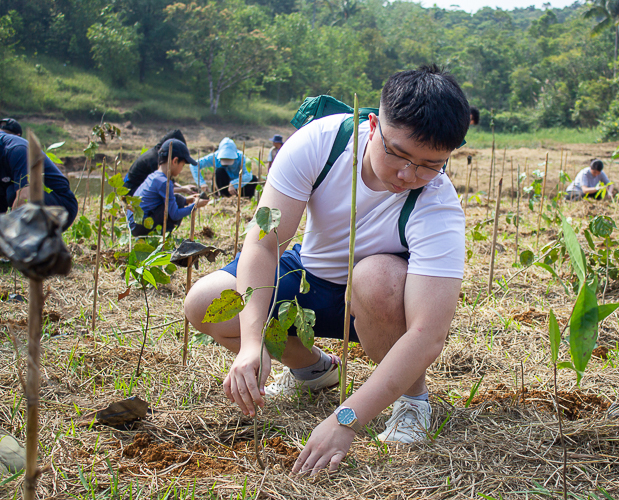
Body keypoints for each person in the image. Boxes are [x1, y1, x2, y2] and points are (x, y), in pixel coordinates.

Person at [184, 65, 469, 475]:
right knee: (203, 302)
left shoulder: (438, 205)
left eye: (429, 165)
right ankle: (313, 370)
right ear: (374, 125)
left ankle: (413, 402)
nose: (409, 175)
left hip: (378, 305)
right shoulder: (321, 143)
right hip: (308, 278)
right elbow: (264, 241)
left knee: (376, 277)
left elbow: (428, 334)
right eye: (398, 154)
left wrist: (346, 420)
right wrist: (251, 343)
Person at [0, 129, 78, 230]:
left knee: (12, 193)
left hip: (61, 206)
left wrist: (11, 234)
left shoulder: (16, 149)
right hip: (37, 208)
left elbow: (24, 198)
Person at [127, 139, 208, 236]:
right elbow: (175, 214)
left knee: (178, 199)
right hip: (141, 227)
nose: (181, 170)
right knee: (177, 203)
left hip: (135, 224)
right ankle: (162, 237)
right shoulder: (164, 182)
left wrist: (187, 200)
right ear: (175, 161)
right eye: (182, 165)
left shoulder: (155, 176)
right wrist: (195, 206)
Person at [123, 129, 196, 196]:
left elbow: (168, 182)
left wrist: (182, 187)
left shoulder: (158, 155)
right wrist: (182, 189)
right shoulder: (156, 160)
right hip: (132, 193)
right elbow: (161, 188)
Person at [190, 138, 256, 198]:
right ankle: (223, 197)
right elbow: (194, 165)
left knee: (253, 179)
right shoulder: (214, 157)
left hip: (239, 186)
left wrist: (234, 184)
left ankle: (245, 199)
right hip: (223, 187)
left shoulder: (241, 157)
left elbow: (248, 175)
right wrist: (202, 183)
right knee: (219, 171)